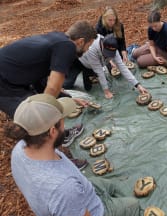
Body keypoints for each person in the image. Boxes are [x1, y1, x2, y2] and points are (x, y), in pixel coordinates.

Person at [10, 93, 140, 216]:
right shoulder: (63, 189)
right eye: (62, 120)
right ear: (52, 131)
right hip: (96, 215)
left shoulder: (19, 149)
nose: (65, 123)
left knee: (110, 185)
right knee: (134, 205)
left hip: (82, 192)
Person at [0, 20, 97, 168]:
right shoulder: (68, 47)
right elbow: (52, 89)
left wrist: (69, 98)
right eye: (88, 46)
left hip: (14, 78)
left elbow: (44, 81)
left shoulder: (58, 38)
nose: (86, 51)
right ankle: (58, 161)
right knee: (37, 123)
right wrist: (47, 118)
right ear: (81, 41)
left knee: (54, 106)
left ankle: (60, 135)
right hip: (5, 85)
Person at [64, 34, 148, 99]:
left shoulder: (113, 48)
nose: (109, 56)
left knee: (88, 86)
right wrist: (106, 91)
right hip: (78, 61)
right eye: (107, 54)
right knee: (67, 85)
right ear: (103, 45)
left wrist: (137, 85)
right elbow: (99, 70)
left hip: (93, 64)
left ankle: (88, 74)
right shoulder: (92, 47)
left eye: (111, 54)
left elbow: (122, 67)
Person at [132, 10, 167, 75]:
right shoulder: (150, 29)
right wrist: (154, 57)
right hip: (155, 46)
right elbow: (151, 45)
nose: (154, 28)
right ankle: (151, 56)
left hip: (165, 52)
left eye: (155, 26)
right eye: (152, 26)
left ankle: (165, 60)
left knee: (140, 61)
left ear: (160, 21)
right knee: (134, 54)